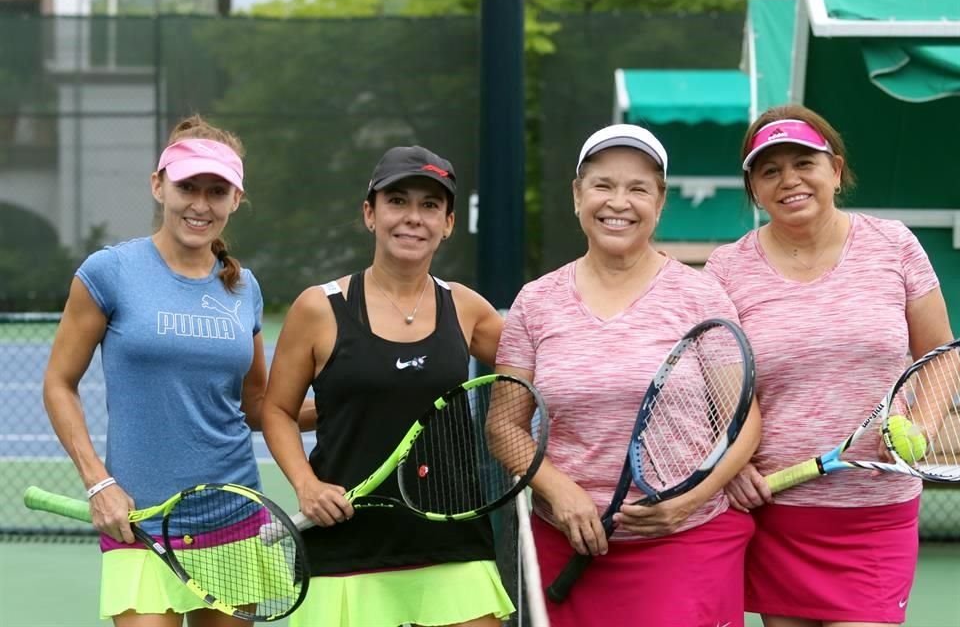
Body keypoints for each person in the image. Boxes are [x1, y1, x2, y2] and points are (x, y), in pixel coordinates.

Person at [494, 124, 762, 627]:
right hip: (569, 548)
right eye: (603, 185)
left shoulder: (701, 296)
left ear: (659, 203)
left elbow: (743, 422)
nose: (619, 202)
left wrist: (690, 500)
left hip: (686, 544)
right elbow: (504, 425)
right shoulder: (536, 302)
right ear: (577, 196)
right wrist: (559, 490)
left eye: (638, 189)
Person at [704, 104, 953, 627]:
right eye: (769, 171)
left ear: (835, 171)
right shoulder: (727, 268)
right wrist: (735, 466)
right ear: (755, 190)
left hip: (878, 511)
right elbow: (715, 393)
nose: (789, 180)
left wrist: (923, 425)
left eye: (804, 164)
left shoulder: (895, 245)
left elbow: (940, 357)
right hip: (779, 511)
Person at [260, 145, 513, 627]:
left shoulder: (467, 308)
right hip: (346, 549)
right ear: (370, 214)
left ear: (448, 223)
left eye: (430, 205)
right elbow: (277, 410)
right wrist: (306, 485)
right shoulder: (318, 308)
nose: (413, 217)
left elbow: (534, 380)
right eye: (397, 201)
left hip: (453, 547)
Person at [43, 115, 267, 627]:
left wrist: (345, 406)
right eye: (188, 186)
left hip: (231, 518)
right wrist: (99, 484)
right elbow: (58, 384)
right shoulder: (109, 272)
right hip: (138, 525)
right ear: (158, 185)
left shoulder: (244, 288)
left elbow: (258, 407)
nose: (200, 204)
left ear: (235, 200)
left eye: (217, 191)